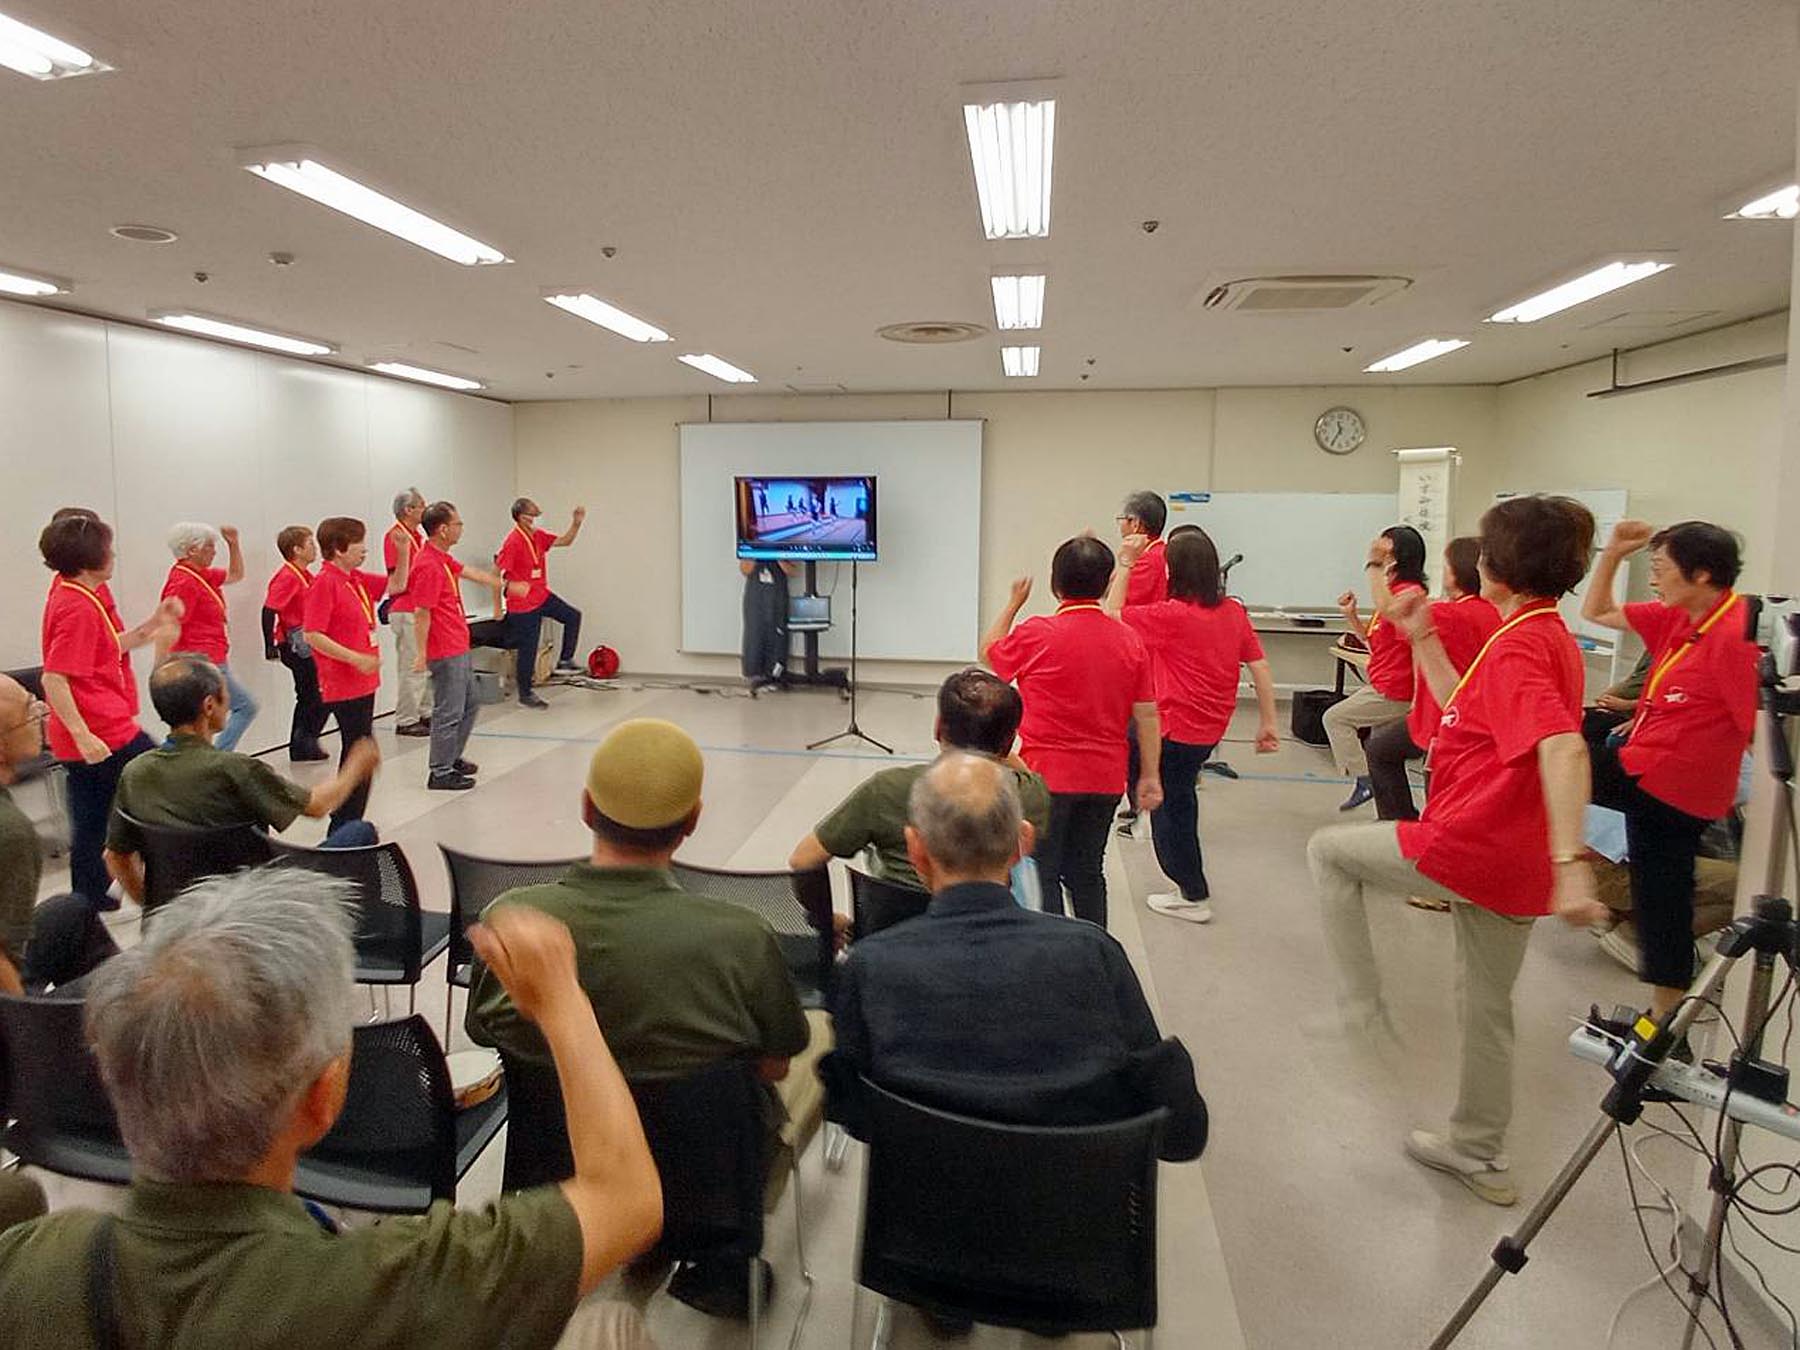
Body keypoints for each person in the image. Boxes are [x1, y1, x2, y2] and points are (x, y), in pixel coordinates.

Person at [0, 869, 663, 1349]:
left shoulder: (31, 1261)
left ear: (116, 1073)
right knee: (611, 1327)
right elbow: (627, 1199)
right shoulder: (390, 1285)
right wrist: (562, 1002)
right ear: (322, 1098)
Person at [1307, 495, 1610, 1207]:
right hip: (1513, 859)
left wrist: (1571, 868)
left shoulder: (1521, 646)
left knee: (1329, 853)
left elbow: (1565, 748)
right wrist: (1422, 638)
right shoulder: (1543, 633)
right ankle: (1478, 1151)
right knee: (1487, 1008)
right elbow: (1456, 716)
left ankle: (1360, 1005)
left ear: (1497, 567)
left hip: (1473, 842)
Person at [467, 718, 812, 1320]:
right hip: (703, 1196)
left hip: (559, 1189)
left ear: (586, 807)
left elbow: (482, 1030)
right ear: (693, 820)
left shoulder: (514, 921)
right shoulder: (741, 937)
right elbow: (776, 1062)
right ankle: (724, 1266)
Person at [822, 753, 1207, 1151]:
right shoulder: (1094, 954)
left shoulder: (868, 967)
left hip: (923, 1187)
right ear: (1023, 842)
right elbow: (1182, 1133)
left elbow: (853, 1114)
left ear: (916, 849)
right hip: (1070, 1188)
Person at [1581, 519, 1758, 1023]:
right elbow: (1597, 612)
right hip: (1657, 778)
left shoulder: (1734, 637)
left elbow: (1755, 729)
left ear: (1701, 574)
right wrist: (1614, 553)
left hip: (1668, 782)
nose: (1655, 580)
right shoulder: (1680, 618)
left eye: (1661, 569)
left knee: (1555, 755)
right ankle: (1662, 1023)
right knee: (1663, 901)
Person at [982, 536, 1162, 929]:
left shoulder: (1037, 633)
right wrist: (1149, 774)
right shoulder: (1129, 640)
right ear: (1107, 581)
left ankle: (1054, 950)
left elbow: (989, 652)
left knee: (1044, 870)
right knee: (1088, 870)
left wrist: (1013, 602)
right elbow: (1147, 714)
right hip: (1106, 777)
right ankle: (1095, 943)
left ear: (1055, 583)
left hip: (1046, 777)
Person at [102, 655, 382, 904]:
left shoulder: (134, 773)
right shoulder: (236, 769)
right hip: (252, 909)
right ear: (209, 706)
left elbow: (115, 857)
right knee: (360, 832)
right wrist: (356, 766)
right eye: (225, 693)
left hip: (179, 916)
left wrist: (153, 906)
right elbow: (317, 805)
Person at [1104, 527, 1279, 923]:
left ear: (1175, 572)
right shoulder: (1233, 611)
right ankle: (1145, 815)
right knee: (1140, 753)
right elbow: (1260, 666)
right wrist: (1268, 721)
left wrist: (1126, 564)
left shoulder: (1174, 615)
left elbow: (1113, 616)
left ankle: (1192, 894)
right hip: (1209, 728)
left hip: (1176, 729)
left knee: (1174, 809)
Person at [789, 668, 1052, 890]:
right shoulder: (1029, 794)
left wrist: (827, 922)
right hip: (993, 934)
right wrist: (998, 745)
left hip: (895, 930)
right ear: (1009, 742)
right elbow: (1021, 773)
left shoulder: (886, 789)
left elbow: (803, 859)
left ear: (938, 728)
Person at [38, 512, 182, 911]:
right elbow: (55, 677)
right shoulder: (77, 607)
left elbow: (104, 646)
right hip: (103, 731)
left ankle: (90, 898)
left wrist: (152, 625)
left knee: (91, 819)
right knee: (163, 784)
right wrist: (83, 735)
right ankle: (158, 881)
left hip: (99, 728)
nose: (113, 555)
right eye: (107, 549)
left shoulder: (77, 593)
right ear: (89, 559)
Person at [1363, 537, 1502, 859]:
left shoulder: (1449, 613)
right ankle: (1403, 830)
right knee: (1381, 749)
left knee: (1438, 796)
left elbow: (1390, 610)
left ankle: (1422, 851)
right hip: (1447, 714)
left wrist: (1374, 564)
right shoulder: (1492, 614)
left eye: (1448, 565)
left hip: (1446, 719)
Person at [0, 671, 120, 994]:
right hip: (9, 1003)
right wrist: (29, 1017)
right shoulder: (10, 832)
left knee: (72, 911)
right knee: (128, 988)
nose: (41, 710)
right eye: (29, 708)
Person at [303, 517, 399, 833]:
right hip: (343, 681)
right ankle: (345, 821)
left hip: (363, 679)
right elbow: (312, 634)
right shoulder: (325, 583)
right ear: (339, 548)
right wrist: (354, 658)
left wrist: (402, 552)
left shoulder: (354, 579)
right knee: (359, 750)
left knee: (361, 749)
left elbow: (397, 586)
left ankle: (348, 818)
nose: (364, 549)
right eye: (358, 543)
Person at [1324, 526, 1429, 811]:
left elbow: (1417, 647)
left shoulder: (1407, 595)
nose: (1379, 555)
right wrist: (1352, 617)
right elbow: (1376, 644)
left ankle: (1363, 780)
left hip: (1394, 690)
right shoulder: (1390, 595)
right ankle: (1393, 815)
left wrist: (1419, 700)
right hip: (1382, 683)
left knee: (1335, 719)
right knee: (1381, 754)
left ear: (1397, 557)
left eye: (1385, 550)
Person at [409, 502, 505, 791]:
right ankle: (440, 771)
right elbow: (421, 613)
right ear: (442, 529)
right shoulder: (427, 565)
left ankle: (451, 757)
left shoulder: (441, 558)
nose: (460, 528)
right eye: (457, 524)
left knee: (470, 703)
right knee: (449, 710)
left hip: (457, 642)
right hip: (444, 648)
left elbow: (468, 572)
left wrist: (502, 584)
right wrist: (421, 653)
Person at [157, 522, 257, 752]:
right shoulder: (184, 582)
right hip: (202, 660)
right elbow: (170, 624)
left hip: (210, 657)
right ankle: (218, 756)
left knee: (197, 717)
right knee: (244, 707)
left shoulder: (200, 575)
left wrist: (234, 545)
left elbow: (235, 574)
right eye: (209, 546)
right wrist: (164, 665)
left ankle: (191, 757)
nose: (214, 551)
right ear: (192, 550)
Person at [1113, 490, 1169, 834]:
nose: (1120, 526)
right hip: (1148, 653)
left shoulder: (1148, 561)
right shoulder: (1158, 554)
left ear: (1136, 524)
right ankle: (1137, 804)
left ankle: (1140, 807)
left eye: (1123, 520)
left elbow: (1115, 606)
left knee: (1134, 736)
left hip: (1142, 654)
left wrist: (1123, 564)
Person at [498, 498, 588, 709]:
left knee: (573, 616)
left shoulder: (538, 536)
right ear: (523, 518)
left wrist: (576, 523)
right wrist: (496, 607)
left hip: (541, 595)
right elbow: (497, 574)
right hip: (522, 604)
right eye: (535, 514)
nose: (539, 517)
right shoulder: (513, 542)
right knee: (528, 649)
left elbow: (565, 541)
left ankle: (565, 660)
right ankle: (525, 694)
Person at [261, 524, 330, 763]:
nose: (315, 548)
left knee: (312, 694)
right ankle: (303, 742)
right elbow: (269, 609)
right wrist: (269, 644)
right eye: (310, 544)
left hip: (306, 638)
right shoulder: (287, 577)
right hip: (294, 642)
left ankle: (304, 742)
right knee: (312, 694)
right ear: (296, 549)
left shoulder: (305, 575)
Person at [385, 489, 432, 737]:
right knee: (412, 665)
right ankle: (406, 718)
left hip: (421, 607)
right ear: (408, 510)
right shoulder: (397, 537)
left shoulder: (418, 537)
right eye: (421, 505)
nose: (425, 509)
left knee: (425, 664)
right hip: (406, 608)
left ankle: (424, 711)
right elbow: (397, 579)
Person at [740, 558, 796, 690]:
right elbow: (745, 570)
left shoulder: (783, 546)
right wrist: (757, 554)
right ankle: (754, 675)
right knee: (754, 632)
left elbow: (793, 571)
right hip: (756, 594)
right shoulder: (751, 547)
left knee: (778, 633)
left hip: (778, 593)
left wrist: (777, 556)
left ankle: (775, 675)